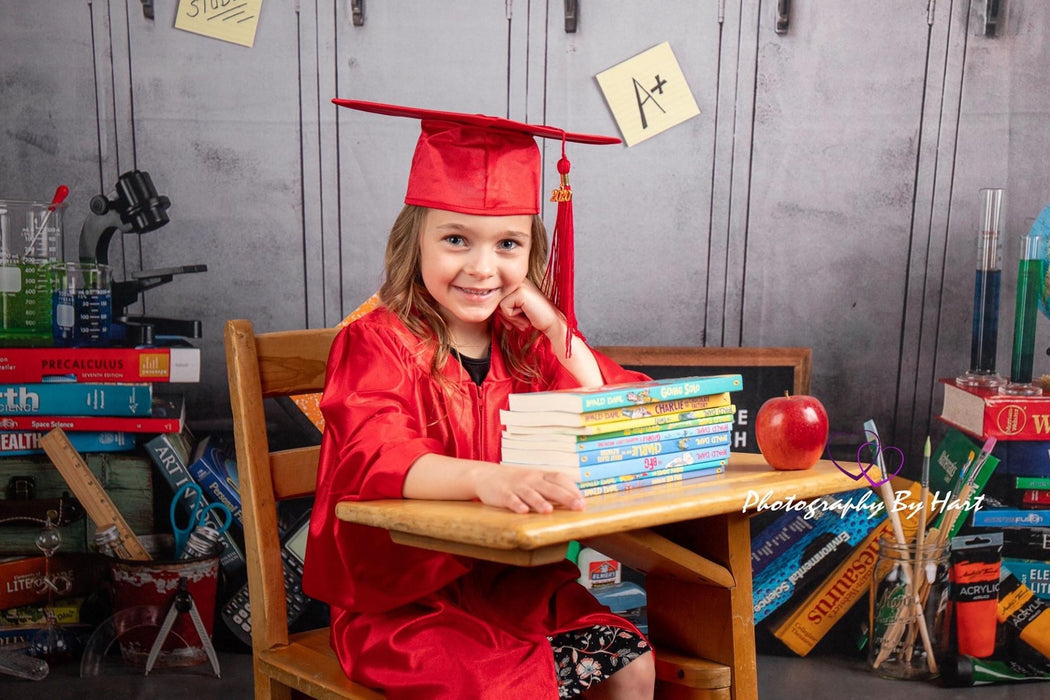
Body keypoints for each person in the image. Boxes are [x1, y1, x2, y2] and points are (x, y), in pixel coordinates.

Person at [302, 99, 656, 699]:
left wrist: (551, 325)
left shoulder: (525, 344)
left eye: (509, 245)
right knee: (505, 685)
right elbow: (374, 454)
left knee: (631, 661)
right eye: (457, 239)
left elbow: (604, 405)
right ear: (414, 242)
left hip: (515, 590)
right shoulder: (375, 344)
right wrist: (488, 479)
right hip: (406, 608)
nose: (482, 268)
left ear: (532, 251)